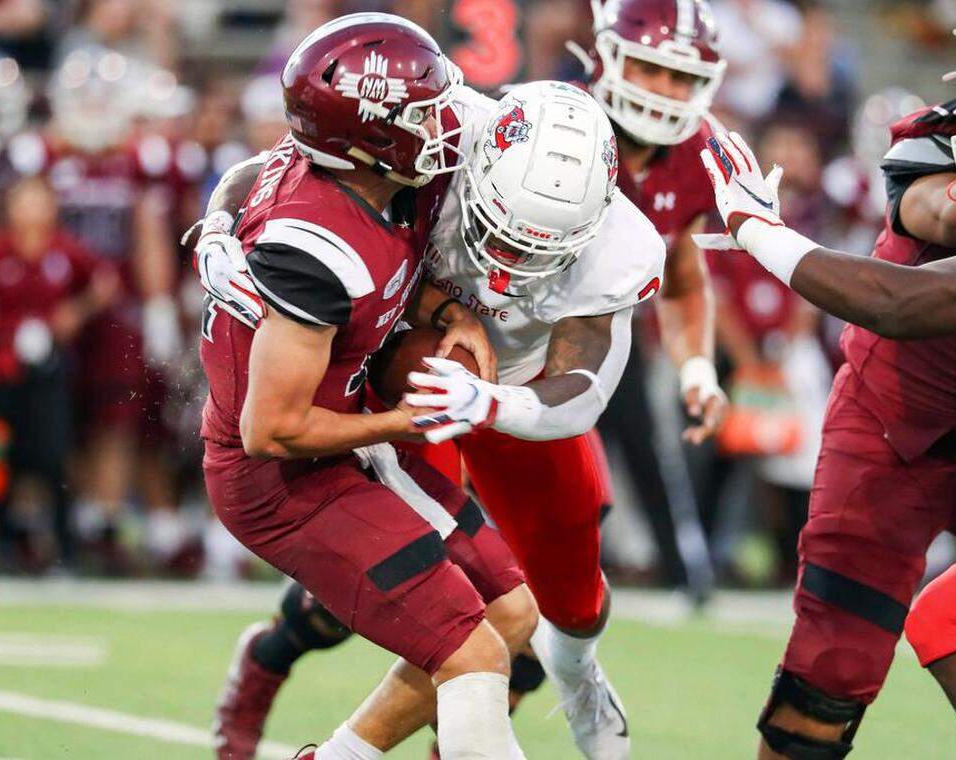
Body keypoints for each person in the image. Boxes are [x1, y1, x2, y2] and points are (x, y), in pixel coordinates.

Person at [204, 79, 663, 759]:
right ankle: (272, 659)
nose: (504, 267)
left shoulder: (619, 247)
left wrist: (474, 371)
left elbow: (581, 396)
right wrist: (217, 224)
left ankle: (573, 680)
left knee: (530, 610)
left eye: (533, 247)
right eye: (499, 230)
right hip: (374, 396)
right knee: (429, 619)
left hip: (511, 397)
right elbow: (279, 166)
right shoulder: (427, 142)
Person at [201, 14, 536, 760]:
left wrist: (447, 313)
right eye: (422, 111)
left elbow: (250, 172)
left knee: (512, 618)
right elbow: (272, 430)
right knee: (473, 653)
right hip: (282, 477)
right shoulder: (311, 246)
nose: (444, 120)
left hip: (343, 437)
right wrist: (400, 424)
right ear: (366, 134)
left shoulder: (353, 169)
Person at [695, 63, 956, 756]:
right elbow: (911, 283)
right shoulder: (935, 158)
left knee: (949, 622)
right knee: (831, 670)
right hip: (896, 429)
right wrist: (760, 231)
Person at [569, 0, 729, 597]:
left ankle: (687, 574)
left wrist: (696, 366)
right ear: (610, 57)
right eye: (651, 69)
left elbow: (683, 275)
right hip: (498, 336)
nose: (666, 90)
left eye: (683, 76)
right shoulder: (554, 125)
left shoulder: (696, 152)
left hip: (605, 334)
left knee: (639, 450)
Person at [8, 46, 181, 573]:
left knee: (114, 418)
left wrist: (156, 306)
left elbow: (150, 234)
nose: (91, 107)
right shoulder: (40, 154)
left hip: (116, 312)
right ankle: (48, 521)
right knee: (51, 419)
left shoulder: (139, 159)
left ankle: (100, 521)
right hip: (51, 311)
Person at [0, 176, 118, 571]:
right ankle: (4, 545)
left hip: (49, 368)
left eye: (39, 201)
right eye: (24, 201)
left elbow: (106, 281)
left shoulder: (65, 250)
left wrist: (75, 311)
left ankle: (63, 547)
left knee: (54, 456)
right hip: (3, 365)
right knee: (2, 457)